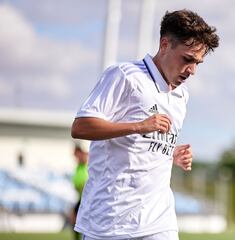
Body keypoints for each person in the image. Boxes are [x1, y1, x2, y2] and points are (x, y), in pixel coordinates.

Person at [71, 9, 219, 240]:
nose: (192, 70)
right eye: (187, 59)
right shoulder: (125, 75)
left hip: (158, 221)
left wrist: (171, 155)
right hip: (110, 222)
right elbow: (80, 127)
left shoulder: (182, 96)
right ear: (164, 44)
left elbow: (144, 148)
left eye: (197, 63)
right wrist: (139, 126)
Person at [70, 142, 89, 240]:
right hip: (81, 197)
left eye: (75, 153)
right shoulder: (78, 166)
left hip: (86, 197)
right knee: (73, 219)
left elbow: (86, 156)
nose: (74, 155)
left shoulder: (85, 160)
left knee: (77, 219)